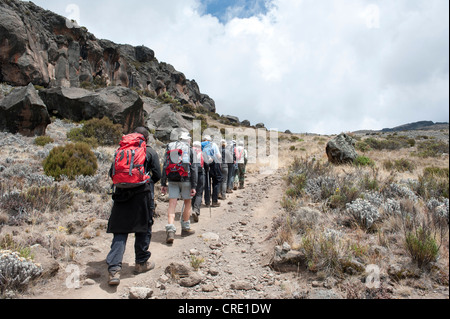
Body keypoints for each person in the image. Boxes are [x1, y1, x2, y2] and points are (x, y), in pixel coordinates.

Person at [106, 127, 161, 286]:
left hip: (121, 194)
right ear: (146, 139)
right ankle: (141, 263)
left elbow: (112, 173)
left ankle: (114, 269)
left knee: (120, 230)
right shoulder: (149, 152)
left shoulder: (121, 150)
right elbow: (157, 174)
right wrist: (144, 180)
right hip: (142, 195)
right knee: (143, 227)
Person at [161, 132, 198, 244]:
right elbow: (194, 168)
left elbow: (165, 165)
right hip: (186, 179)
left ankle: (171, 230)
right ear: (187, 140)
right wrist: (194, 185)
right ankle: (185, 228)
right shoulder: (191, 149)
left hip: (172, 179)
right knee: (187, 202)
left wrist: (163, 183)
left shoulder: (170, 147)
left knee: (172, 203)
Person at [202, 135, 222, 207]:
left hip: (205, 165)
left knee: (207, 183)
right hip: (214, 165)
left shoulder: (201, 145)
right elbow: (218, 155)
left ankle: (207, 201)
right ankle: (214, 201)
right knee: (216, 182)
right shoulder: (213, 145)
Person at [191, 141, 204, 222]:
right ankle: (196, 210)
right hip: (200, 172)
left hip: (192, 174)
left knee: (192, 191)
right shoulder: (202, 153)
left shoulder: (189, 151)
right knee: (199, 192)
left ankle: (193, 208)